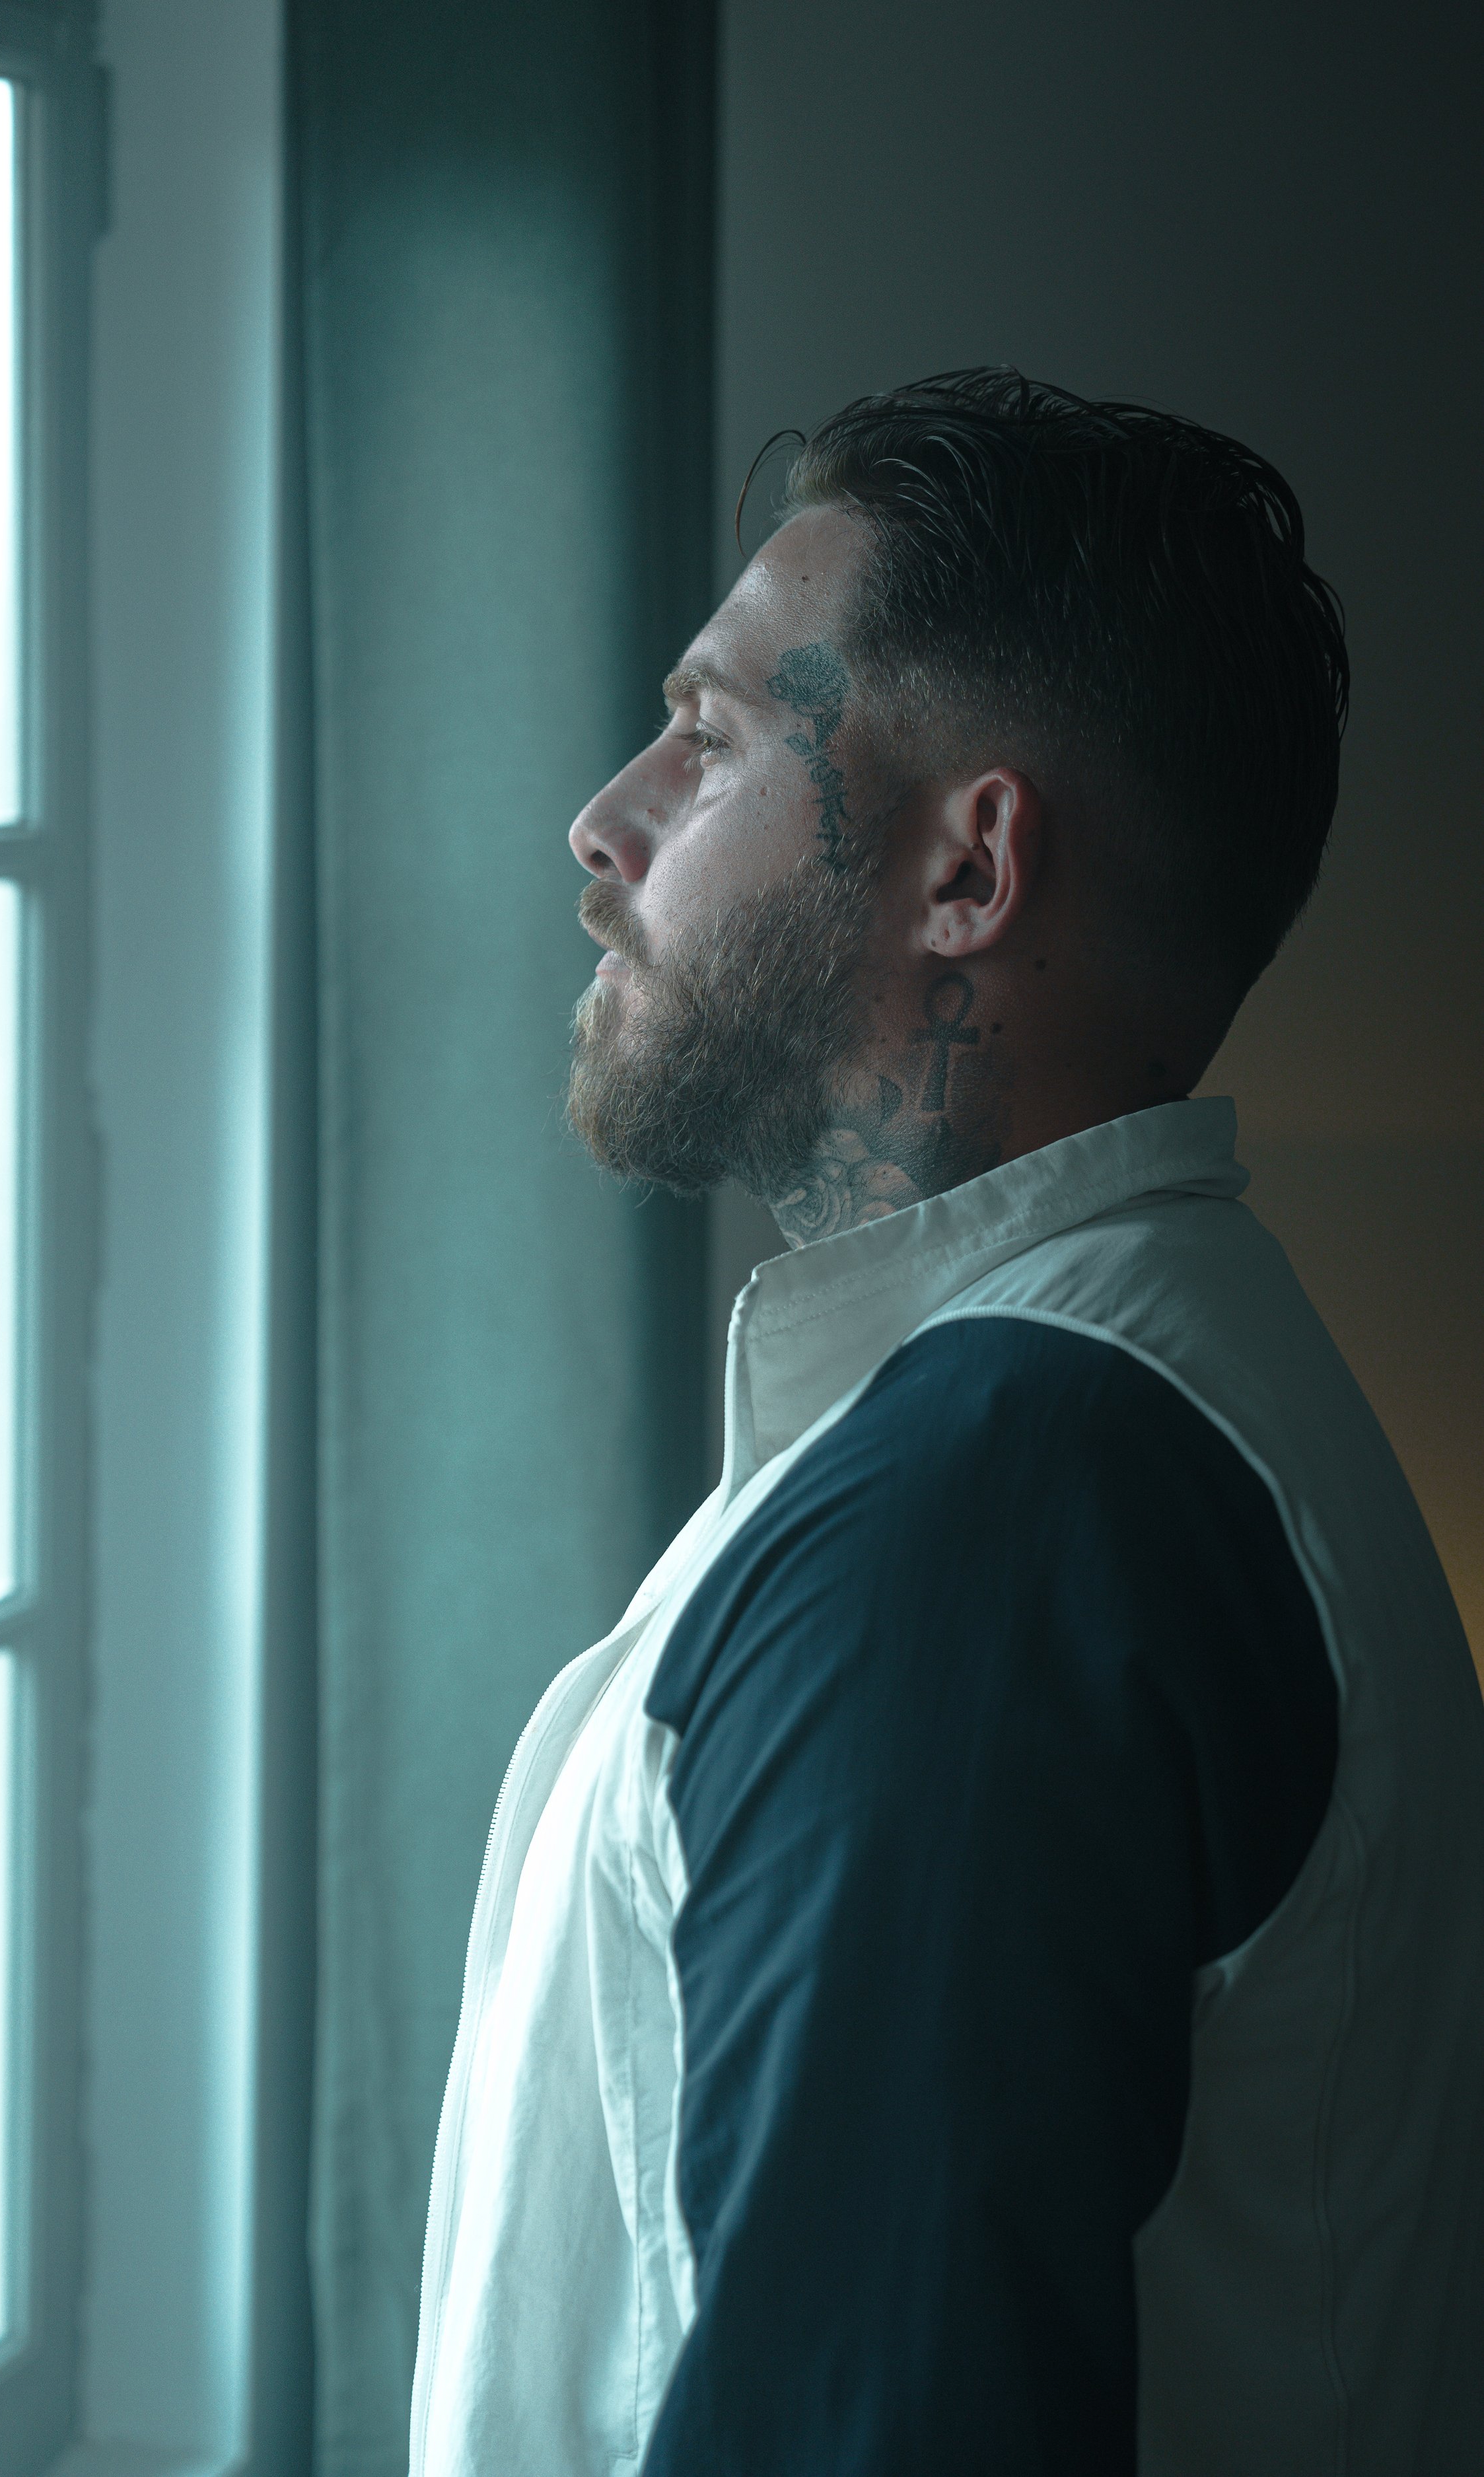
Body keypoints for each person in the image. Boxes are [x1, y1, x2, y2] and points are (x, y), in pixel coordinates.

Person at [407, 371, 1484, 2475]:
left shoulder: (989, 1530)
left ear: (969, 866)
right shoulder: (1094, 1410)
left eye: (709, 739)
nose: (606, 819)